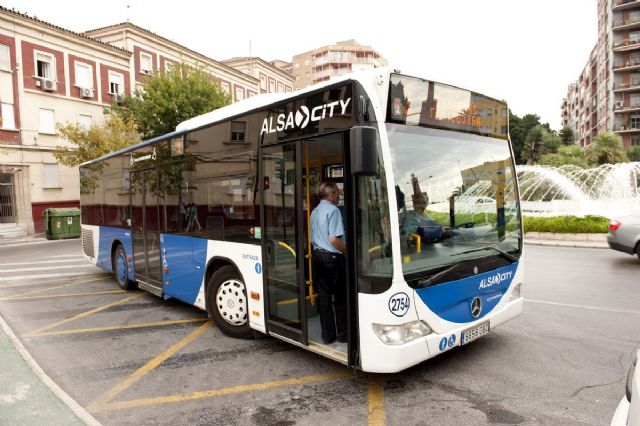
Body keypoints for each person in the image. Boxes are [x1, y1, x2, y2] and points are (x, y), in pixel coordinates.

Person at [310, 181, 347, 345]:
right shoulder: (334, 211)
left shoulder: (314, 211)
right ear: (331, 195)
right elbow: (334, 240)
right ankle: (343, 334)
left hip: (317, 257)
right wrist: (348, 251)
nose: (339, 196)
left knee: (324, 299)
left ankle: (328, 336)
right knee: (340, 298)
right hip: (333, 259)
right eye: (338, 194)